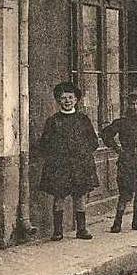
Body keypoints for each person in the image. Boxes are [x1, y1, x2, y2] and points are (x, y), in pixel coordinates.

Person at [38, 82, 100, 241]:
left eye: (70, 98)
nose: (67, 101)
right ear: (59, 101)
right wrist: (56, 156)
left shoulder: (83, 119)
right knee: (59, 197)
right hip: (60, 166)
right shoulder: (53, 121)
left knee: (79, 197)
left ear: (76, 100)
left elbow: (93, 141)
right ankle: (58, 231)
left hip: (80, 165)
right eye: (63, 98)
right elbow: (45, 143)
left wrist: (82, 153)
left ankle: (82, 229)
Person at [100, 85, 137, 233]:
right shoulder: (122, 122)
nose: (135, 107)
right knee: (125, 193)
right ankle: (117, 222)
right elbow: (106, 134)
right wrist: (117, 148)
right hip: (127, 161)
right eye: (132, 103)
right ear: (128, 105)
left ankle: (136, 221)